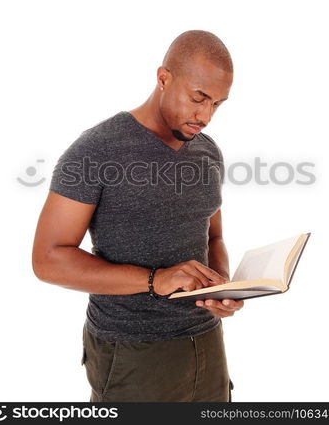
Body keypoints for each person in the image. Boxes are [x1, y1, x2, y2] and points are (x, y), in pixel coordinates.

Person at [32, 29, 244, 402]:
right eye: (199, 98)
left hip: (207, 344)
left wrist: (220, 285)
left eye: (218, 104)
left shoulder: (207, 152)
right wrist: (155, 280)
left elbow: (213, 236)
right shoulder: (96, 151)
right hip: (131, 351)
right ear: (164, 78)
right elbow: (48, 259)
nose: (206, 115)